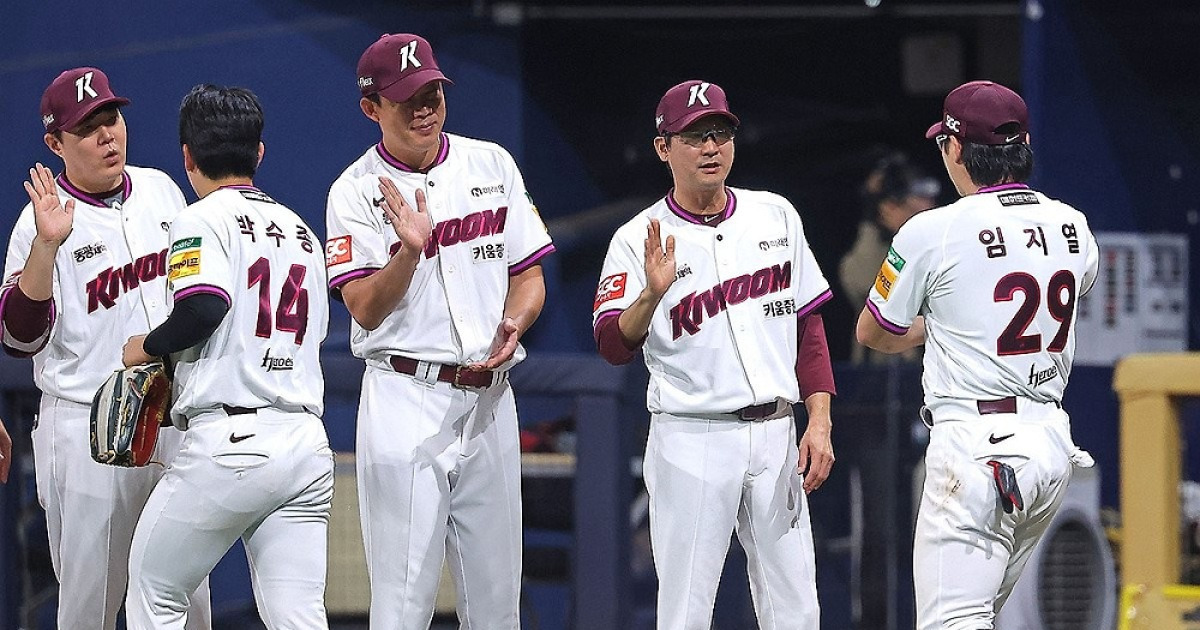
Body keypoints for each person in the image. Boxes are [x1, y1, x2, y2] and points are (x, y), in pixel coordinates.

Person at [325, 33, 554, 628]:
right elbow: (364, 309)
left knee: (498, 605)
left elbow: (529, 278)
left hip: (490, 398)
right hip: (407, 397)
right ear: (371, 108)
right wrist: (407, 253)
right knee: (403, 606)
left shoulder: (491, 163)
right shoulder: (352, 192)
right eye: (408, 98)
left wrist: (515, 321)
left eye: (431, 91)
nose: (425, 107)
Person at [593, 79, 836, 630]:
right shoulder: (637, 238)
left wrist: (818, 420)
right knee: (685, 611)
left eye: (720, 133)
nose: (710, 147)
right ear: (663, 148)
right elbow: (612, 346)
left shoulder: (775, 215)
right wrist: (651, 294)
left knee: (797, 608)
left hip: (776, 431)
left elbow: (810, 327)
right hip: (692, 435)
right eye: (694, 136)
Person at [856, 80, 1098, 629]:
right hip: (1050, 447)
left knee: (953, 622)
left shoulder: (934, 231)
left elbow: (873, 331)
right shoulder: (1072, 224)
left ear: (956, 148)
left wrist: (939, 326)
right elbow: (1057, 296)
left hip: (978, 446)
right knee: (980, 615)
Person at [0, 66, 210, 630]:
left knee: (186, 602)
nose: (108, 135)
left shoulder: (162, 190)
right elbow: (19, 338)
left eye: (111, 117)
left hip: (170, 419)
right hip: (88, 431)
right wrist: (46, 248)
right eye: (88, 127)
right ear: (55, 144)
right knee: (90, 609)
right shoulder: (36, 225)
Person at [121, 84, 334, 629]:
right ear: (258, 153)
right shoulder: (303, 233)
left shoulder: (200, 218)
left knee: (154, 591)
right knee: (299, 617)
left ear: (187, 155)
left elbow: (203, 305)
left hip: (232, 441)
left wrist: (144, 348)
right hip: (306, 444)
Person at [839, 152, 939, 364]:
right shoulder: (872, 245)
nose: (928, 204)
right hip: (878, 371)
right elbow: (861, 283)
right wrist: (870, 212)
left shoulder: (941, 241)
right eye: (919, 197)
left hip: (929, 368)